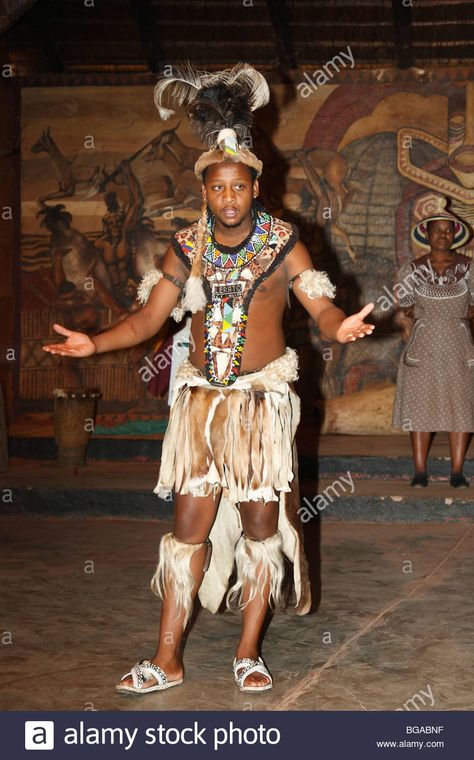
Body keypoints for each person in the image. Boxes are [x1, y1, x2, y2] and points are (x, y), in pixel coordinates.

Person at [43, 64, 374, 694]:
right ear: (205, 191)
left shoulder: (283, 242)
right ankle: (167, 656)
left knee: (259, 527)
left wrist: (339, 327)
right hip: (199, 407)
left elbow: (320, 305)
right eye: (217, 188)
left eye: (238, 187)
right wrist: (95, 342)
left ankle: (249, 650)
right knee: (186, 530)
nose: (227, 197)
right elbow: (147, 320)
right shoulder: (187, 245)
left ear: (255, 187)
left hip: (259, 408)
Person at [392, 203, 473, 488]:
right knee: (419, 409)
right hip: (422, 347)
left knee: (461, 410)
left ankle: (457, 472)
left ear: (455, 234)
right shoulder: (413, 269)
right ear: (427, 234)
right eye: (437, 230)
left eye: (447, 230)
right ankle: (420, 471)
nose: (442, 235)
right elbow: (405, 307)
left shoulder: (468, 267)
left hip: (459, 347)